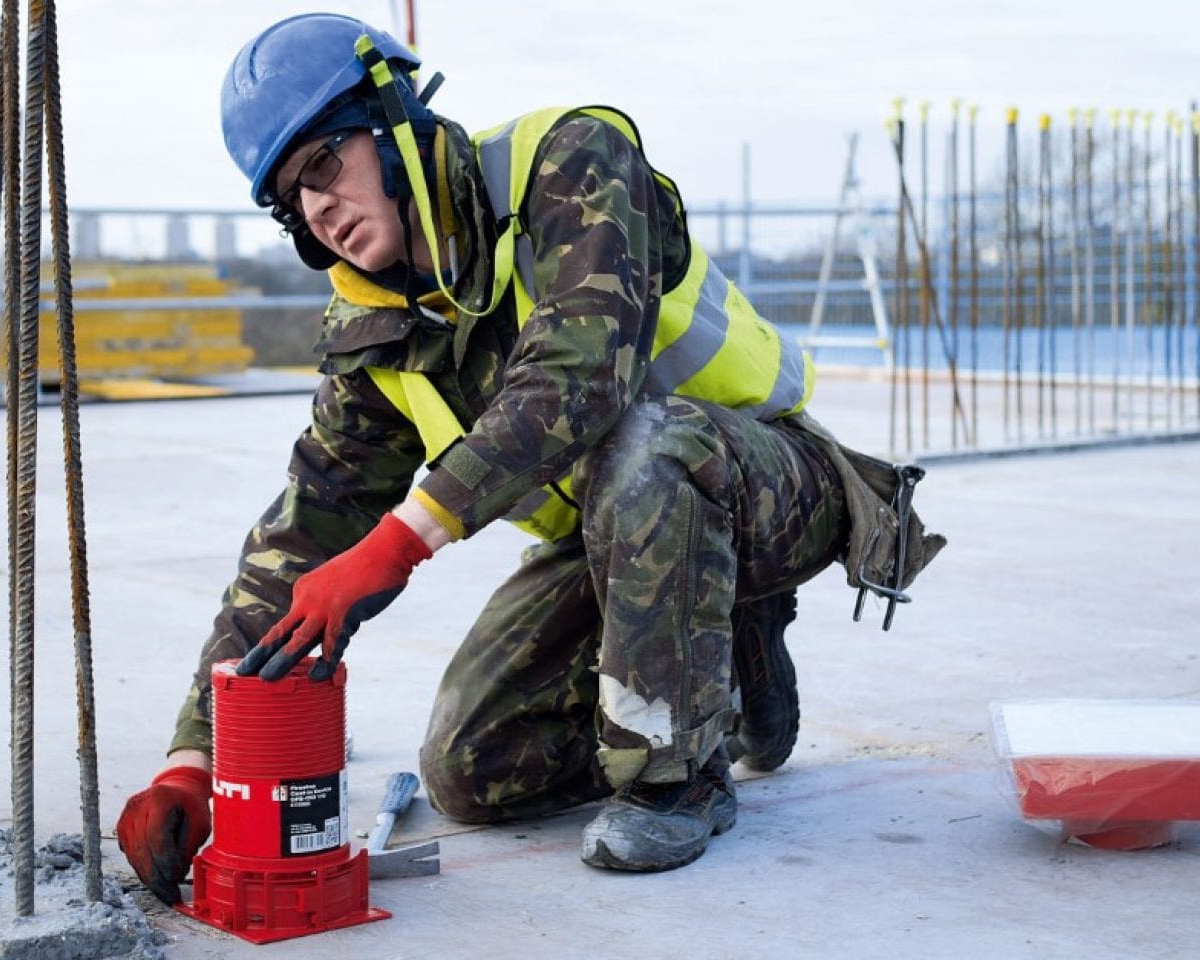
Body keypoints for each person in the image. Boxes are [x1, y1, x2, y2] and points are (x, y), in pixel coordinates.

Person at [116, 13, 943, 901]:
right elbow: (306, 534)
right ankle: (727, 683)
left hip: (764, 486)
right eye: (292, 198)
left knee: (644, 445)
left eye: (324, 163)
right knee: (471, 771)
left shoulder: (570, 162)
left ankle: (678, 779)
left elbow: (579, 377)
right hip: (618, 541)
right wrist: (196, 759)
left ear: (394, 124)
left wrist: (398, 542)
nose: (318, 208)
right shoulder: (377, 334)